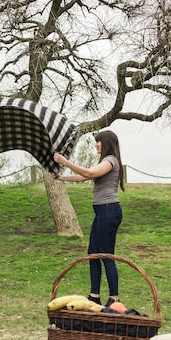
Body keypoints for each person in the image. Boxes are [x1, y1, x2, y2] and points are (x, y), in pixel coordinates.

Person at [53, 129, 124, 308]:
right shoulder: (104, 161)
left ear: (106, 143)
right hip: (102, 212)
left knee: (106, 255)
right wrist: (62, 177)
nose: (95, 144)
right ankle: (94, 296)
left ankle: (114, 298)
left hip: (109, 211)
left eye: (98, 141)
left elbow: (89, 174)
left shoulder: (110, 161)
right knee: (93, 254)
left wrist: (65, 161)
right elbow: (83, 177)